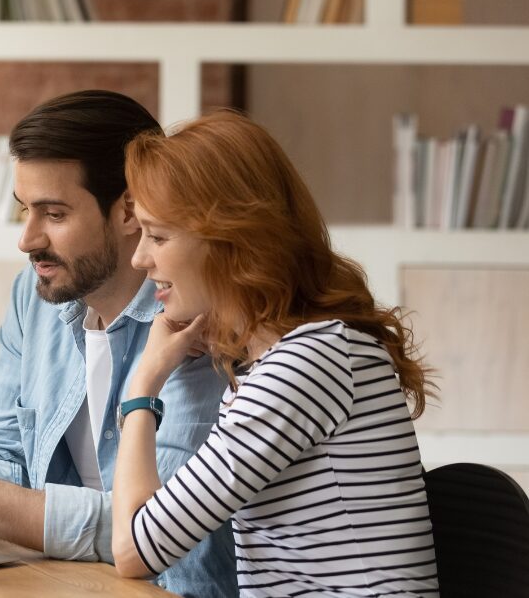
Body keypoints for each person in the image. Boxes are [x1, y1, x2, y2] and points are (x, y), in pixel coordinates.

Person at [0, 90, 237, 597]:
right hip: (59, 581)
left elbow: (160, 529)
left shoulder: (192, 319)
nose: (26, 239)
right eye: (23, 210)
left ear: (129, 212)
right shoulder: (35, 300)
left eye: (53, 214)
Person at [111, 110, 439, 596]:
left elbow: (135, 550)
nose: (140, 258)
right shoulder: (286, 359)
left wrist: (144, 384)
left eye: (158, 236)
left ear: (231, 240)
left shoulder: (307, 364)